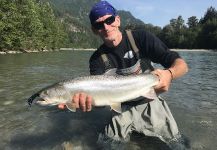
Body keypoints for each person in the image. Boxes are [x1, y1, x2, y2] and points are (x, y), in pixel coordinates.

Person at [59, 1, 189, 149]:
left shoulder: (140, 38)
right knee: (106, 146)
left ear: (118, 20)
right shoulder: (96, 60)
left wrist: (169, 74)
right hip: (120, 108)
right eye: (99, 25)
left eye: (109, 20)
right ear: (94, 30)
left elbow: (182, 66)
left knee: (176, 145)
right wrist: (86, 103)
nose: (106, 27)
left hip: (149, 101)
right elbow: (102, 102)